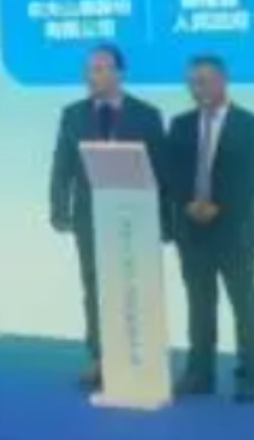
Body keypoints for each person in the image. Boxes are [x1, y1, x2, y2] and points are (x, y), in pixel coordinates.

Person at [48, 43, 167, 390]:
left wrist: (165, 219)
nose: (92, 76)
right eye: (89, 70)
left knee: (135, 287)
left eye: (100, 69)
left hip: (136, 217)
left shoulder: (147, 115)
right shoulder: (73, 114)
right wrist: (59, 208)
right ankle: (100, 357)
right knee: (95, 287)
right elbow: (62, 166)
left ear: (119, 73)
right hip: (89, 215)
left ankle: (138, 357)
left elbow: (162, 169)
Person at [168, 54, 254, 404]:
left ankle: (249, 376)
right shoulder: (180, 124)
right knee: (199, 304)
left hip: (236, 229)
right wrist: (188, 203)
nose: (197, 89)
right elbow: (171, 172)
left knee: (244, 304)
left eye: (203, 81)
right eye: (192, 83)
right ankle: (199, 374)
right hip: (192, 229)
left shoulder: (251, 125)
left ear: (223, 80)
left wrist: (220, 207)